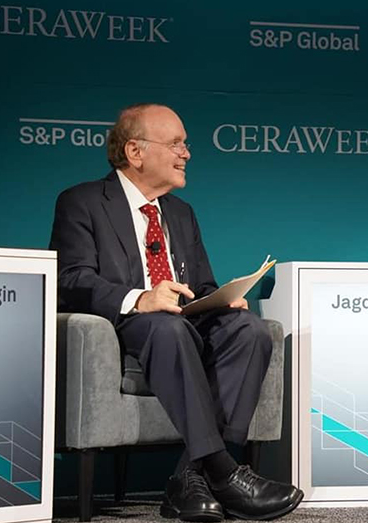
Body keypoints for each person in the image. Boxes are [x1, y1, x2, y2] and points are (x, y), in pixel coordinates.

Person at [49, 103, 303, 522]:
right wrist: (138, 298)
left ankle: (188, 476)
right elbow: (70, 279)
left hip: (183, 321)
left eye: (186, 145)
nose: (187, 153)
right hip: (128, 326)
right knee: (168, 329)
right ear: (135, 152)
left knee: (250, 331)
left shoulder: (181, 213)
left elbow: (198, 286)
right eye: (176, 144)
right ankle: (224, 471)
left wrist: (223, 299)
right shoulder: (84, 201)